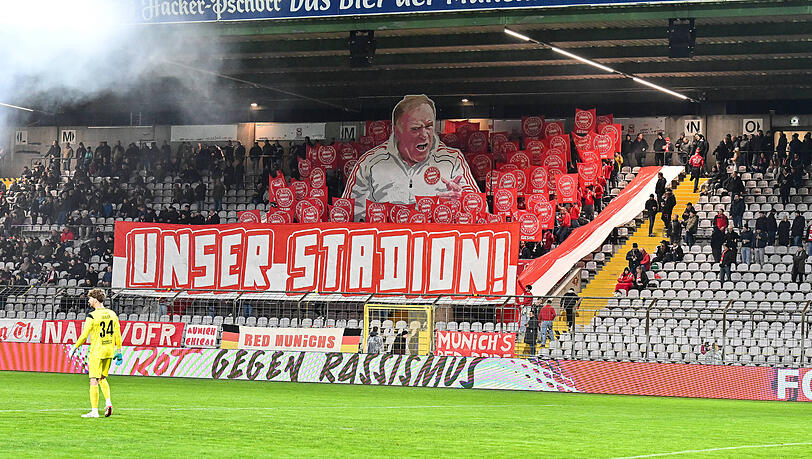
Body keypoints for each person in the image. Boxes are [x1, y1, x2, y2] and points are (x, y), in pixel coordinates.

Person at [343, 95, 478, 220]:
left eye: (429, 126)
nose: (424, 135)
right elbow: (347, 214)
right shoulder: (370, 163)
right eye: (415, 128)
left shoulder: (453, 160)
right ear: (397, 131)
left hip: (434, 243)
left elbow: (480, 211)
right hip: (388, 243)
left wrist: (462, 201)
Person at [69, 289, 121, 418]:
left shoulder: (92, 316)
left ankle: (94, 411)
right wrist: (119, 351)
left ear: (95, 300)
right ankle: (108, 402)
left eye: (90, 298)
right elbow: (118, 334)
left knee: (93, 380)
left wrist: (74, 347)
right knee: (102, 378)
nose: (88, 300)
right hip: (109, 350)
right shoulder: (112, 314)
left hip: (97, 351)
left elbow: (84, 335)